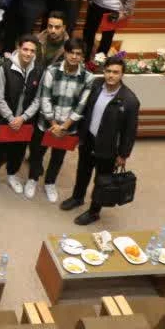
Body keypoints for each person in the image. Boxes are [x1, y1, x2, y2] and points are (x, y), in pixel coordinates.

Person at [62, 58, 139, 225]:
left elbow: (130, 132)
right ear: (104, 71)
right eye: (108, 71)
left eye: (116, 72)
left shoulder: (130, 100)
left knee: (102, 180)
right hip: (88, 139)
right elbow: (84, 110)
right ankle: (77, 198)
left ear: (122, 75)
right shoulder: (96, 86)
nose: (111, 75)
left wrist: (123, 155)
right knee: (82, 172)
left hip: (108, 148)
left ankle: (94, 212)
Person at [30, 40, 94, 203]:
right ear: (65, 53)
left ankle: (50, 183)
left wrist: (64, 126)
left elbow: (81, 106)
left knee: (58, 157)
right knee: (37, 153)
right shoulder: (51, 70)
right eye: (71, 52)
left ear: (83, 57)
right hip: (46, 123)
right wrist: (53, 124)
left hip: (68, 128)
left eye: (78, 54)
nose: (74, 56)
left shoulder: (88, 77)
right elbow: (45, 97)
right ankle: (32, 179)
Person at [0, 34, 43, 195]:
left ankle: (12, 175)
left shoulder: (39, 70)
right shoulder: (5, 68)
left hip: (25, 121)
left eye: (32, 51)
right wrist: (11, 118)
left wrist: (23, 118)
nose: (28, 53)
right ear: (18, 48)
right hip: (3, 118)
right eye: (25, 49)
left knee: (18, 151)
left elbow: (38, 99)